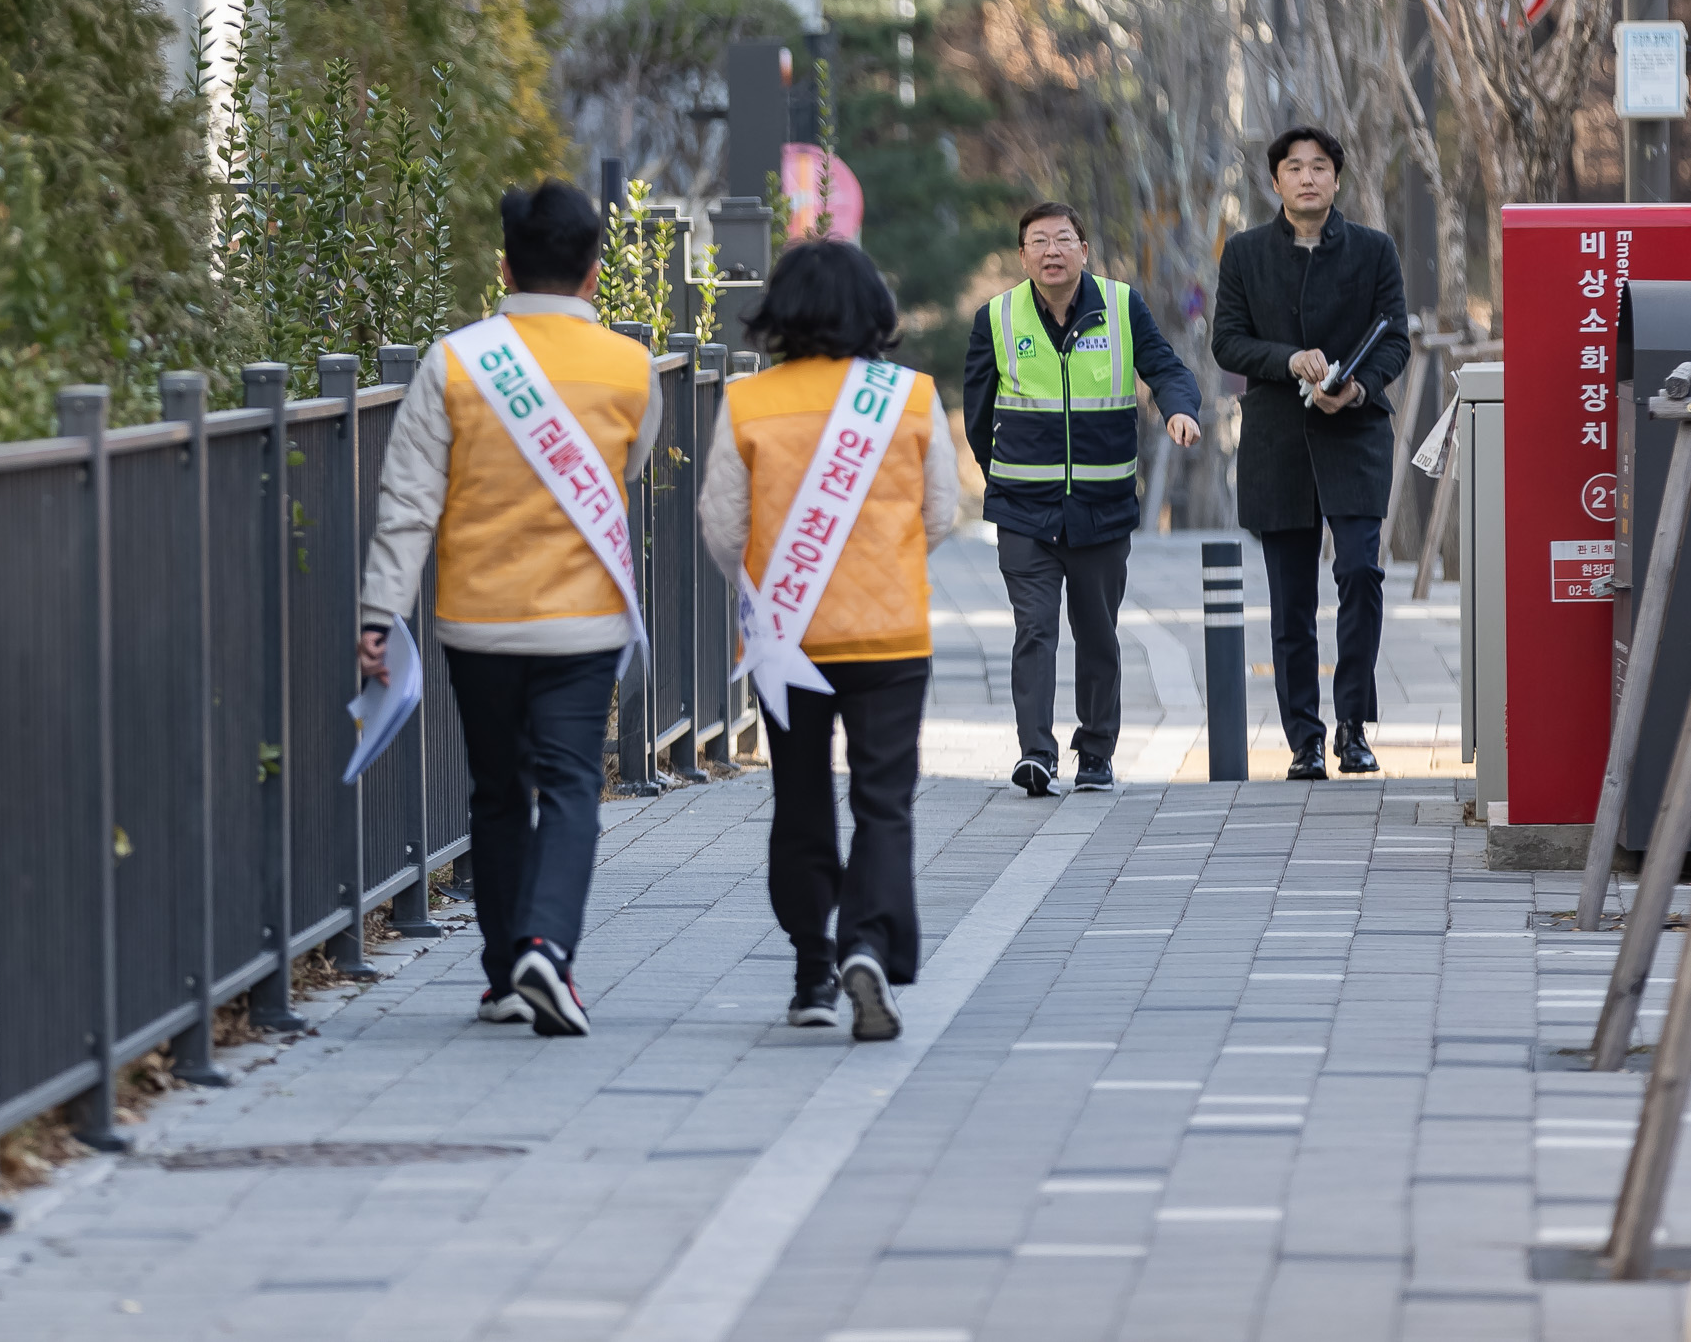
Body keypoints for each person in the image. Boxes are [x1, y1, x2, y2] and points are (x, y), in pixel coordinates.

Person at [356, 180, 660, 1037]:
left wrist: (380, 614)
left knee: (496, 790)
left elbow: (408, 502)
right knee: (568, 783)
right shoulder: (632, 367)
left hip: (478, 620)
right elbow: (625, 472)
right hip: (584, 617)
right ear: (595, 274)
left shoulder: (452, 363)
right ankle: (545, 948)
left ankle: (501, 975)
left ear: (504, 266)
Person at [699, 239, 958, 1041]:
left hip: (790, 639)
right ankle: (870, 945)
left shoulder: (750, 401)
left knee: (801, 800)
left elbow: (721, 524)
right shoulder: (911, 397)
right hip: (889, 637)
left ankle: (813, 971)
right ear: (874, 311)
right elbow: (942, 514)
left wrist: (769, 585)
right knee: (885, 804)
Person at [963, 203, 1203, 797]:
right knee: (1035, 628)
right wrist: (1004, 477)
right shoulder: (996, 317)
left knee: (1097, 631)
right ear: (1022, 256)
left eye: (1063, 239)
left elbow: (1167, 369)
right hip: (1024, 510)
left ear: (1084, 250)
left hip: (1101, 509)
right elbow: (978, 412)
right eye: (1038, 241)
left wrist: (1179, 409)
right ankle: (1036, 753)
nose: (1052, 251)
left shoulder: (1122, 307)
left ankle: (1095, 751)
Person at [1212, 125, 1410, 781]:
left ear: (1336, 178)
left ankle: (1353, 725)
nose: (1307, 177)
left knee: (1360, 573)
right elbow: (1229, 343)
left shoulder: (1374, 251)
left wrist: (1357, 388)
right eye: (1293, 167)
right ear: (1275, 181)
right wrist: (1287, 359)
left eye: (1319, 166)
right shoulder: (1243, 254)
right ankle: (1303, 736)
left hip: (1354, 435)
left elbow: (1395, 342)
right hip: (1276, 441)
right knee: (1290, 599)